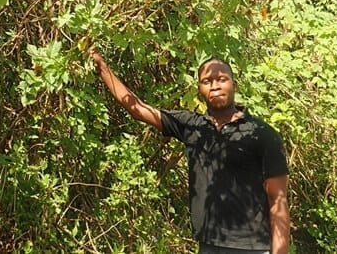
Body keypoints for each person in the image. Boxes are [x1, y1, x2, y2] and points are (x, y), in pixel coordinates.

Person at [91, 51, 290, 254]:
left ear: (234, 85)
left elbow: (278, 199)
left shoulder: (261, 134)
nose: (215, 86)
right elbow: (138, 109)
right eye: (207, 81)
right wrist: (103, 68)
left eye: (222, 79)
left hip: (252, 248)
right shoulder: (192, 127)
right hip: (208, 244)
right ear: (199, 90)